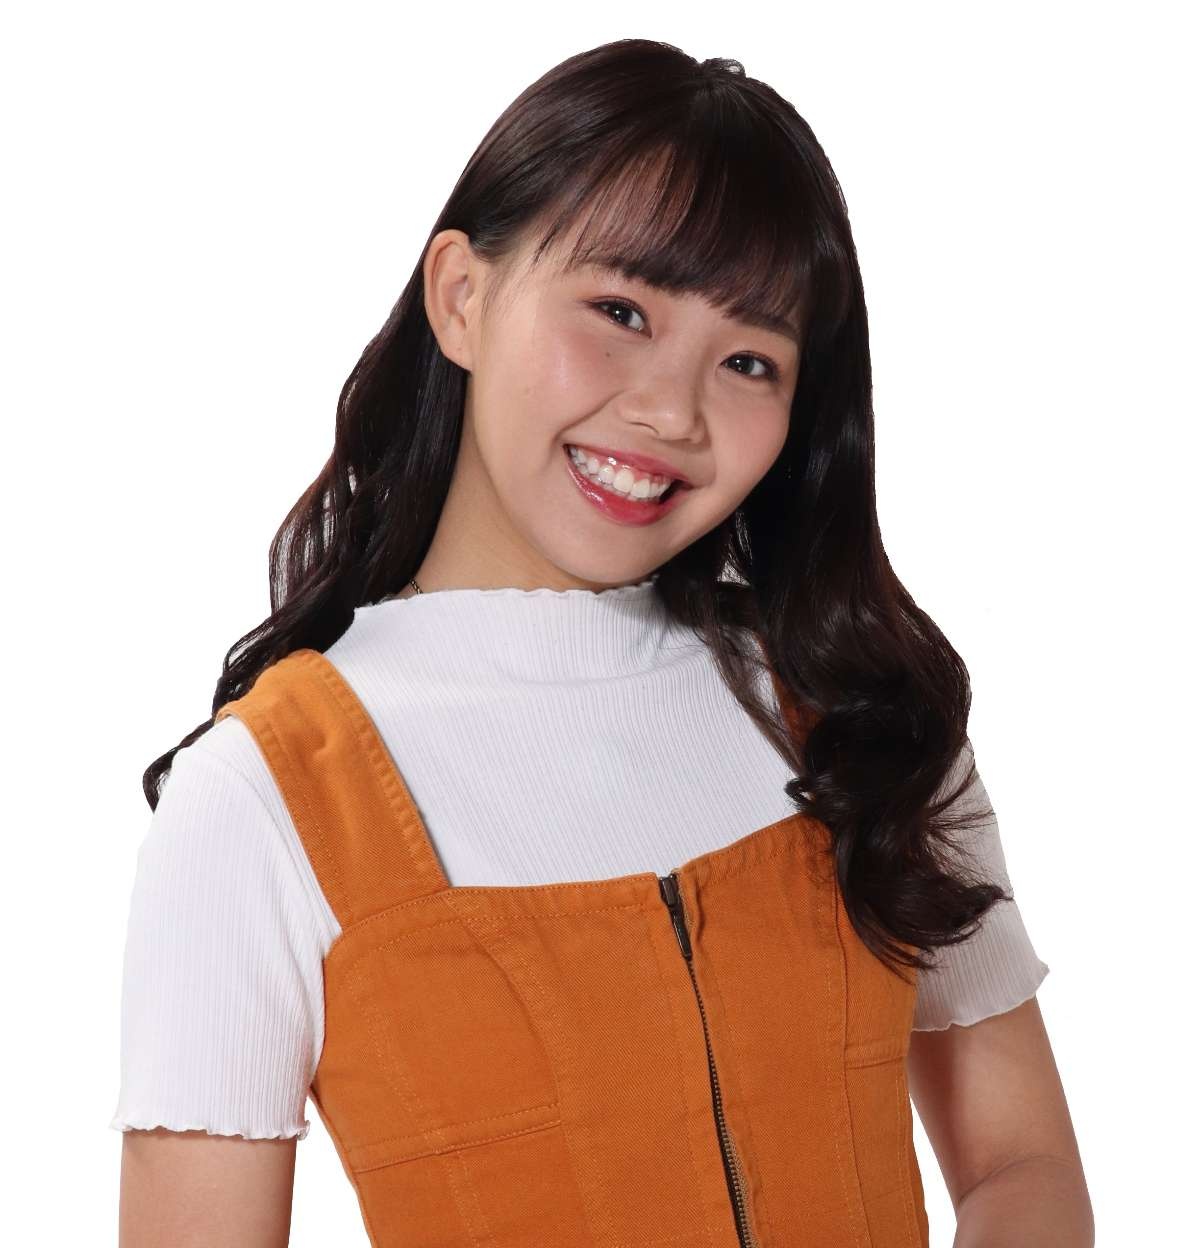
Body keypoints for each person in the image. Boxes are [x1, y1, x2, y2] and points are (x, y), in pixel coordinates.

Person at [111, 37, 1092, 1248]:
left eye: (749, 360)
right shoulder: (262, 799)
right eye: (620, 311)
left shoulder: (858, 711)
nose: (671, 411)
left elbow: (1022, 1165)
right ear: (462, 297)